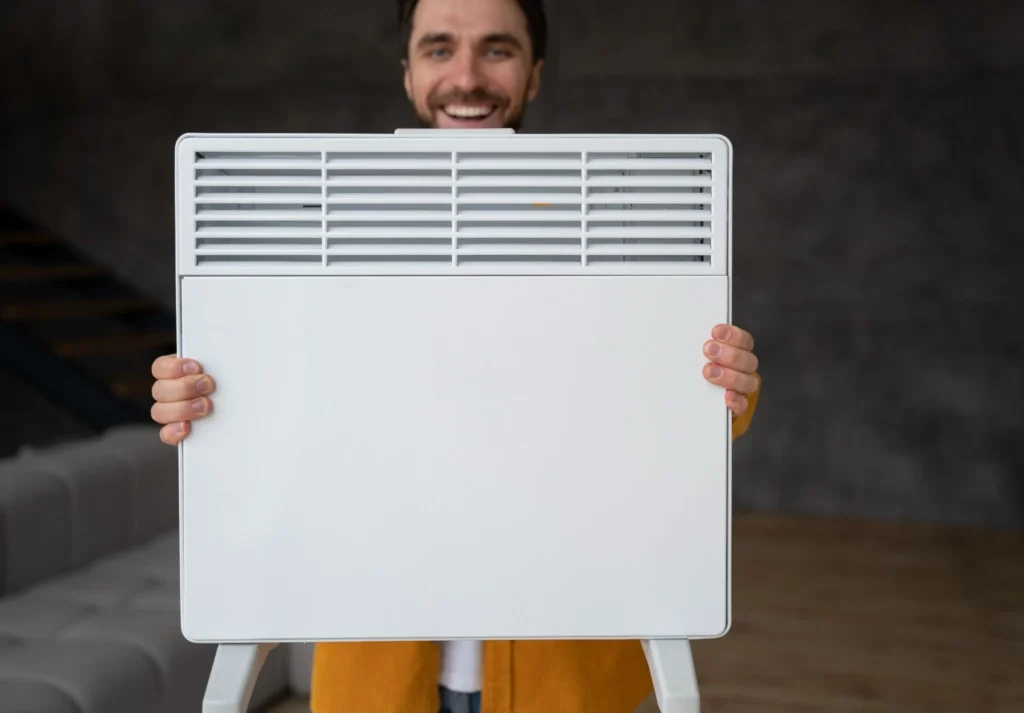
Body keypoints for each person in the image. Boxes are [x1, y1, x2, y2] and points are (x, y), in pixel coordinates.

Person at [150, 0, 763, 711]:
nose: (466, 76)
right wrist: (200, 397)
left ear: (534, 75)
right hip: (376, 674)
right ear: (408, 73)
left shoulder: (615, 219)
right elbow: (285, 412)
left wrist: (731, 388)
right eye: (440, 49)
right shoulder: (322, 224)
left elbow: (679, 406)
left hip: (566, 676)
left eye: (496, 50)